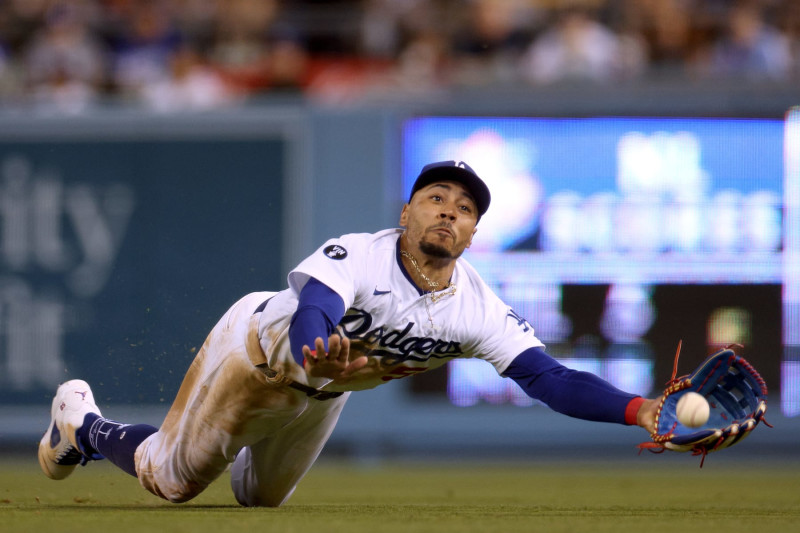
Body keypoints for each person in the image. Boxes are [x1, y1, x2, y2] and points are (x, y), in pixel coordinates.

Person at [39, 160, 660, 507]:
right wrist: (317, 347)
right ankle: (82, 422)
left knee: (260, 503)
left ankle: (228, 444)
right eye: (436, 196)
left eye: (465, 208)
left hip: (321, 395)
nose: (449, 209)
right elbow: (315, 309)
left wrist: (641, 410)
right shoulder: (360, 254)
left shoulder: (476, 309)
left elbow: (550, 379)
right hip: (257, 357)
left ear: (472, 236)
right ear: (406, 213)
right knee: (171, 482)